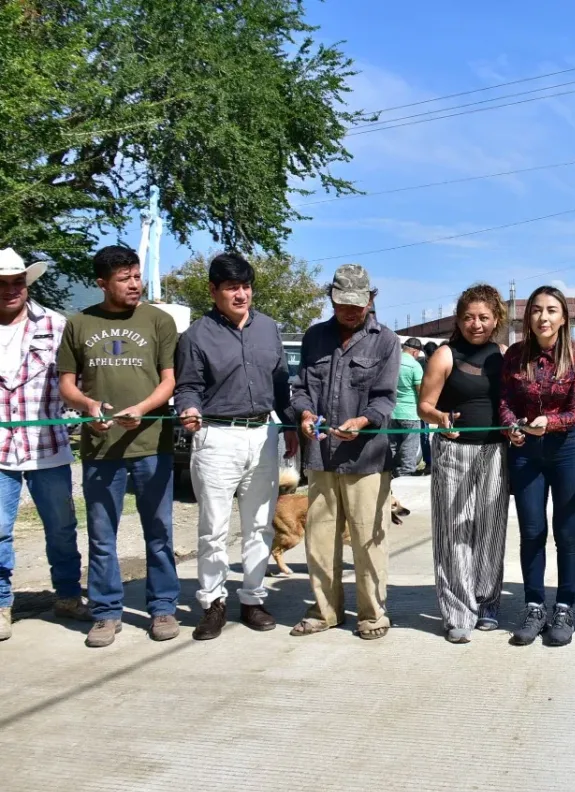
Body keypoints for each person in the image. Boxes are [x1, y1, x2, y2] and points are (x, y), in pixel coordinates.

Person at [58, 245, 180, 648]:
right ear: (101, 283)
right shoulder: (79, 324)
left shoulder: (158, 320)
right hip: (101, 447)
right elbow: (67, 385)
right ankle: (106, 613)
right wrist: (88, 405)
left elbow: (169, 380)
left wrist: (143, 409)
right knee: (102, 534)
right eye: (124, 278)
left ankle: (163, 606)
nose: (134, 284)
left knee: (159, 531)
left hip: (151, 445)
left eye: (135, 275)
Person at [174, 252, 298, 641]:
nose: (241, 294)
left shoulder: (268, 328)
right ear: (213, 291)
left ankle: (252, 598)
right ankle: (212, 602)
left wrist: (291, 423)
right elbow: (188, 386)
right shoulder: (196, 335)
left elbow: (280, 385)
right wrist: (189, 408)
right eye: (232, 288)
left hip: (263, 435)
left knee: (260, 525)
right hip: (216, 436)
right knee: (212, 527)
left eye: (245, 286)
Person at [290, 264, 399, 641]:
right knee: (319, 538)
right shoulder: (314, 337)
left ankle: (372, 615)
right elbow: (301, 387)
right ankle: (325, 609)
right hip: (320, 456)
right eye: (342, 304)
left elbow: (386, 400)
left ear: (371, 299)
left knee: (369, 540)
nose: (351, 311)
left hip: (366, 459)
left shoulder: (386, 341)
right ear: (331, 299)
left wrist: (362, 422)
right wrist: (303, 412)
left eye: (358, 303)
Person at [0, 249, 90, 643]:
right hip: (0, 449)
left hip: (47, 445)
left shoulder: (55, 325)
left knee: (61, 527)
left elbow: (79, 381)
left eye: (17, 281)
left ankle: (68, 595)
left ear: (27, 283)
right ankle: (2, 604)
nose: (10, 290)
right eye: (2, 283)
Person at [499, 285, 575, 647]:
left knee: (566, 534)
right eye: (537, 310)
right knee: (532, 531)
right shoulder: (515, 356)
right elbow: (505, 399)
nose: (543, 317)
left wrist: (548, 424)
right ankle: (534, 606)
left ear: (563, 317)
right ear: (528, 317)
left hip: (568, 449)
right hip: (526, 452)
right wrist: (512, 427)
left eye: (552, 310)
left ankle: (565, 607)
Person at [418, 285, 509, 643]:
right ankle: (458, 612)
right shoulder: (444, 354)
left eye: (484, 317)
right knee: (454, 531)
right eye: (469, 317)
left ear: (496, 319)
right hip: (453, 454)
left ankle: (488, 604)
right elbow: (423, 406)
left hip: (496, 453)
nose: (476, 324)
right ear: (458, 319)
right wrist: (440, 417)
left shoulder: (504, 354)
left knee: (491, 531)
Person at [389, 338, 424, 478]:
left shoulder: (391, 363)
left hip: (392, 412)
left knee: (392, 446)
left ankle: (390, 473)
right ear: (415, 352)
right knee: (409, 447)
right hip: (410, 413)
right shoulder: (414, 366)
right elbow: (420, 391)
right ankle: (405, 476)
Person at [419, 340, 439, 474]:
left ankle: (438, 461)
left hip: (441, 403)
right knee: (424, 435)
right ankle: (428, 462)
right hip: (426, 404)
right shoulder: (420, 365)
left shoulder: (442, 362)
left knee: (439, 434)